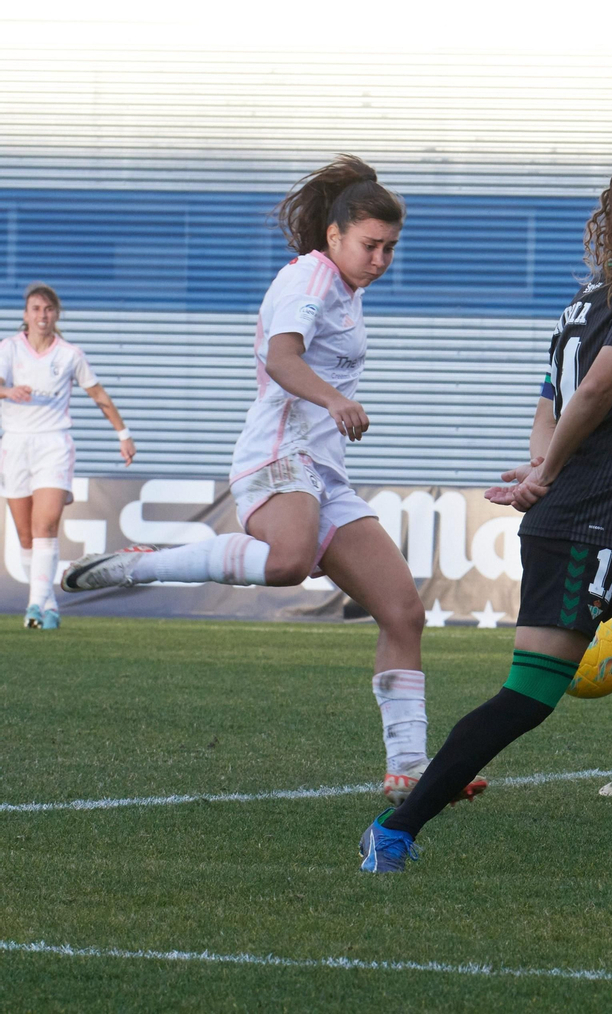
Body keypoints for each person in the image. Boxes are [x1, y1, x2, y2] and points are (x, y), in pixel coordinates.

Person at [357, 155, 612, 877]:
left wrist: (544, 468)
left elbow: (550, 401)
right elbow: (595, 392)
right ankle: (394, 829)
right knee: (528, 697)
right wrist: (546, 473)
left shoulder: (583, 304)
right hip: (588, 529)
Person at [61, 156, 480, 806]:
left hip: (323, 473)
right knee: (287, 563)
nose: (380, 258)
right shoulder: (309, 278)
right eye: (370, 245)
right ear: (335, 235)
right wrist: (334, 401)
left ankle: (408, 769)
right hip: (276, 453)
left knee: (403, 611)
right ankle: (144, 566)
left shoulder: (346, 289)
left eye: (390, 247)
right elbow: (281, 357)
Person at [1, 282, 136, 629]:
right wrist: (8, 390)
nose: (42, 316)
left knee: (45, 524)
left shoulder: (69, 355)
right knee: (25, 533)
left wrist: (123, 435)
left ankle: (33, 607)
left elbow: (98, 394)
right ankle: (49, 606)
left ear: (56, 314)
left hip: (53, 444)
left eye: (48, 309)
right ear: (26, 315)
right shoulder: (9, 349)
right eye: (35, 309)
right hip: (15, 444)